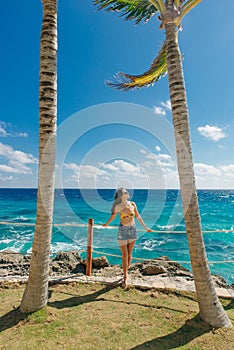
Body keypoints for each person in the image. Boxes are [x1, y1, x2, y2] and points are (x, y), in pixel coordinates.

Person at [103, 187, 153, 289]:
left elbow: (138, 217)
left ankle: (126, 272)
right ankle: (125, 277)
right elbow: (113, 217)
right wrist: (106, 224)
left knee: (130, 254)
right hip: (123, 230)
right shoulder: (118, 206)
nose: (127, 193)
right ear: (121, 195)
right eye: (125, 192)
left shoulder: (133, 204)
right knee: (124, 254)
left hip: (133, 229)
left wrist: (146, 228)